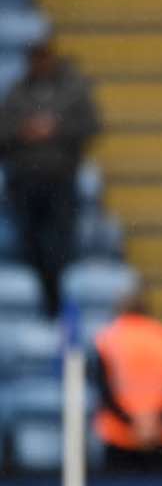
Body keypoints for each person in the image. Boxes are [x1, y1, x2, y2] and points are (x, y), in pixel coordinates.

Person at [0, 39, 100, 317]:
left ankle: (58, 302)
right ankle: (38, 301)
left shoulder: (71, 91)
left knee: (60, 246)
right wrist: (25, 130)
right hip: (24, 183)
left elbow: (90, 125)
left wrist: (55, 129)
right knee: (30, 245)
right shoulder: (16, 94)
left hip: (61, 181)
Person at [92, 290, 162, 476]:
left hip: (119, 435)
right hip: (160, 435)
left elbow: (103, 388)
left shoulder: (108, 338)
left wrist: (132, 423)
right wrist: (156, 422)